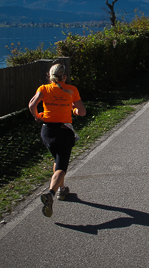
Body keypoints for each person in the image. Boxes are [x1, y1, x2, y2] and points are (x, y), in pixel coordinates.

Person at [29, 63, 86, 218]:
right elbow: (82, 112)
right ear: (64, 77)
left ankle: (61, 190)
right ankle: (51, 193)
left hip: (47, 131)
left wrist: (37, 116)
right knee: (62, 167)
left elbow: (32, 104)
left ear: (50, 75)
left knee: (57, 159)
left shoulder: (43, 89)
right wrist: (73, 110)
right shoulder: (72, 90)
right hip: (63, 131)